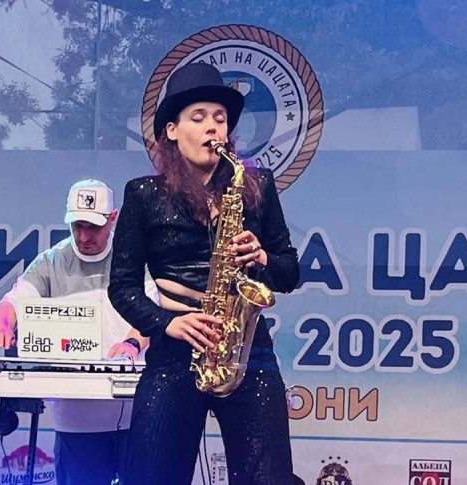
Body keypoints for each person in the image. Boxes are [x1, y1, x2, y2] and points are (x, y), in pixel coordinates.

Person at [108, 62, 300, 484]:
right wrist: (168, 323)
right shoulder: (143, 194)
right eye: (198, 118)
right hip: (175, 351)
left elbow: (289, 272)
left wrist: (262, 258)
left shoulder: (257, 186)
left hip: (247, 352)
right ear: (172, 130)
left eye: (220, 118)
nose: (213, 127)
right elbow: (122, 287)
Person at [0, 179, 157, 485]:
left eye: (93, 227)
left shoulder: (133, 257)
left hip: (135, 410)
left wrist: (132, 343)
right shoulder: (51, 261)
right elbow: (11, 303)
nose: (84, 236)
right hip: (77, 419)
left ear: (113, 218)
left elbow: (152, 312)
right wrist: (2, 327)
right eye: (77, 226)